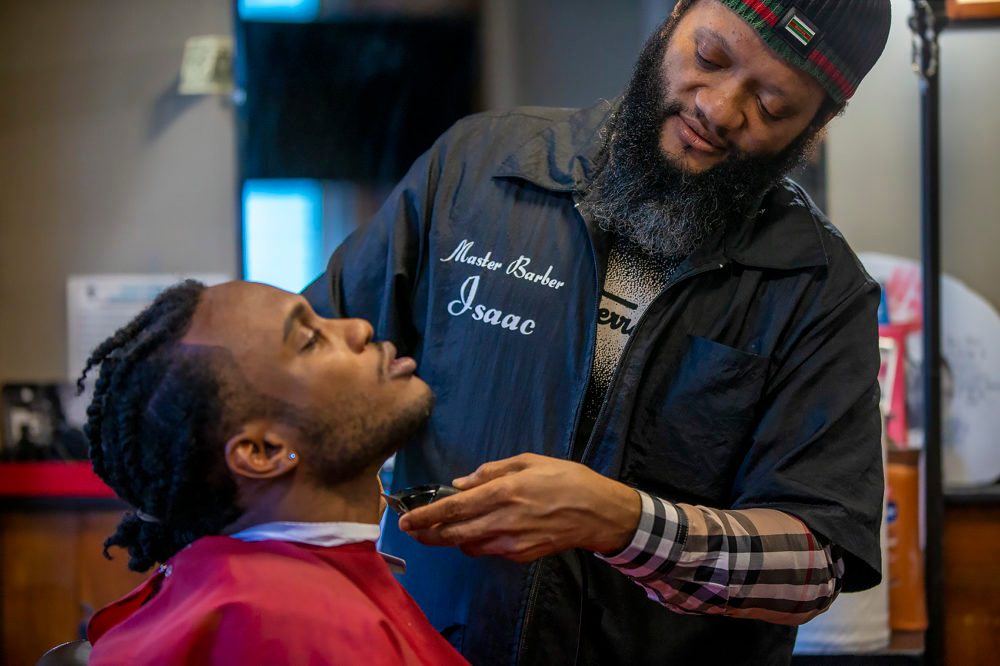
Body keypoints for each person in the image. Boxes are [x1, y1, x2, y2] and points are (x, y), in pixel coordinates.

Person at [304, 1, 892, 664]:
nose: (721, 109)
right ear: (673, 17)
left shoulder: (816, 288)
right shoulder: (480, 170)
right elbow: (305, 372)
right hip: (429, 646)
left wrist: (622, 523)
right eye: (711, 59)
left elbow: (814, 564)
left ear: (817, 127)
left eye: (773, 104)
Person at [81, 280, 467, 666]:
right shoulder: (299, 631)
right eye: (309, 341)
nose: (359, 328)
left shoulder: (256, 594)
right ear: (264, 452)